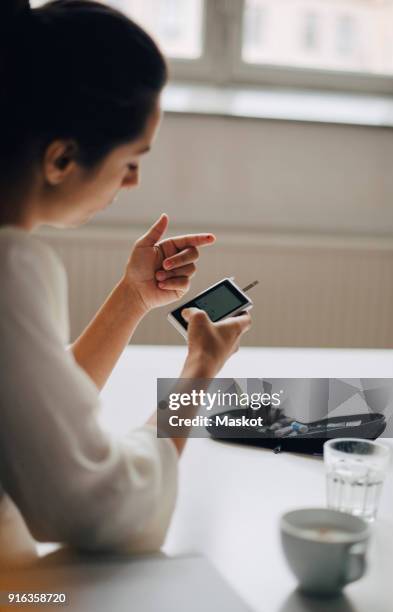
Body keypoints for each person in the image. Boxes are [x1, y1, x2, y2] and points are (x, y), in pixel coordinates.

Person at [0, 0, 251, 568]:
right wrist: (198, 372)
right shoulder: (9, 268)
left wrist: (133, 297)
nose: (134, 182)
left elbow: (30, 416)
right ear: (62, 158)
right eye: (132, 159)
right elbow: (99, 503)